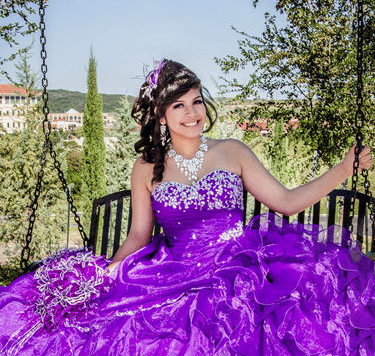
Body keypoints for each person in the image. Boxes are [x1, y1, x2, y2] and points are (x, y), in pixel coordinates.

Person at [0, 59, 374, 356]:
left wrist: (344, 169)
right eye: (178, 105)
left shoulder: (232, 151)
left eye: (196, 101)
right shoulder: (147, 167)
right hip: (174, 273)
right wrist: (108, 273)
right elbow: (138, 235)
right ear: (161, 115)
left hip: (237, 267)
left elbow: (288, 203)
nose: (191, 113)